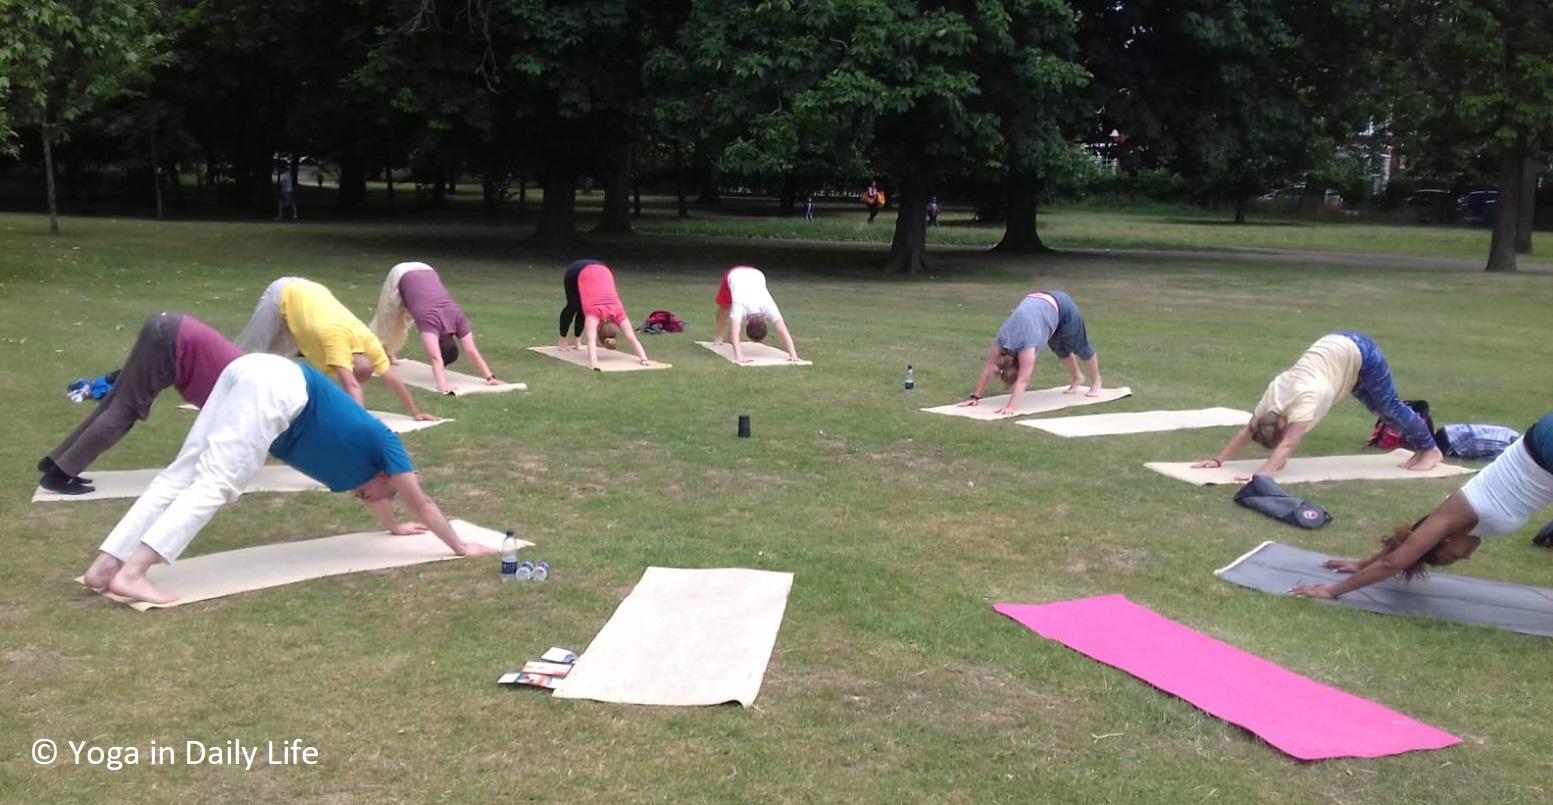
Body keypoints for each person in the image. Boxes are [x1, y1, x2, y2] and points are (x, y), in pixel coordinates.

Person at [79, 353, 495, 605]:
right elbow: (422, 502)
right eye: (381, 493)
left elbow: (381, 500)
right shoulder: (387, 444)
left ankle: (105, 567)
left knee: (180, 475)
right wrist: (460, 547)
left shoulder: (356, 475)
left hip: (249, 370)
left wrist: (396, 527)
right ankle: (132, 573)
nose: (367, 498)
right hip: (279, 383)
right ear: (390, 475)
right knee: (215, 483)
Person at [1290, 413, 1553, 600]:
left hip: (1543, 447)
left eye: (1453, 556)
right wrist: (1363, 563)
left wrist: (1332, 590)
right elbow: (1405, 545)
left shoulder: (1450, 515)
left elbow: (1394, 561)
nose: (1466, 557)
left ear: (1444, 540)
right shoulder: (1464, 526)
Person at [38, 312, 241, 495]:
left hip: (168, 327)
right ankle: (59, 475)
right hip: (172, 340)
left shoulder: (247, 377)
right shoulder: (246, 394)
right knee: (124, 411)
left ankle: (56, 463)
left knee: (115, 403)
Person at [1194, 333, 1442, 480]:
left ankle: (1431, 450)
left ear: (1284, 427)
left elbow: (1288, 445)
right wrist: (1218, 460)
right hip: (1339, 356)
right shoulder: (1270, 403)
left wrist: (1262, 474)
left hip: (1360, 352)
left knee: (1390, 407)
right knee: (1382, 412)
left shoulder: (1305, 401)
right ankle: (1422, 449)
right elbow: (1247, 431)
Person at [233, 277, 435, 420]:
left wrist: (415, 412)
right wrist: (361, 424)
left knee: (275, 361)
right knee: (248, 353)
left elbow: (391, 378)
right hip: (284, 292)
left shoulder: (369, 342)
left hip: (309, 299)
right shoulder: (336, 344)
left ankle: (257, 400)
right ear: (350, 362)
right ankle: (223, 384)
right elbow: (351, 385)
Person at [958, 291, 1103, 415]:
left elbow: (1023, 380)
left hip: (1062, 305)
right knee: (1059, 348)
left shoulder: (1027, 348)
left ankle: (1097, 381)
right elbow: (989, 368)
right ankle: (1078, 377)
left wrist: (1012, 407)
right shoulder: (1000, 345)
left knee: (1080, 347)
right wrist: (974, 397)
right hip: (1039, 306)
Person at [368, 261, 503, 394]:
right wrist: (442, 384)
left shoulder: (458, 316)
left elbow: (472, 351)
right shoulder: (430, 322)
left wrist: (490, 377)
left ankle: (389, 353)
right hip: (400, 273)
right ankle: (368, 354)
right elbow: (435, 357)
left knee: (404, 319)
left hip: (426, 269)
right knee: (387, 321)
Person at [556, 260, 653, 371]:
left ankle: (577, 341)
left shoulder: (618, 312)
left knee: (583, 309)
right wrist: (594, 364)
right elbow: (591, 341)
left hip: (603, 270)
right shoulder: (595, 315)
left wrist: (644, 359)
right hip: (577, 271)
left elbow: (631, 338)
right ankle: (562, 341)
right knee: (573, 305)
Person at [712, 266, 801, 364]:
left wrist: (793, 355)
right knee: (724, 307)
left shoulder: (769, 306)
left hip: (757, 274)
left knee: (734, 320)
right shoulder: (740, 305)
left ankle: (727, 338)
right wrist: (739, 356)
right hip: (735, 275)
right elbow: (735, 331)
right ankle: (719, 336)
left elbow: (783, 330)